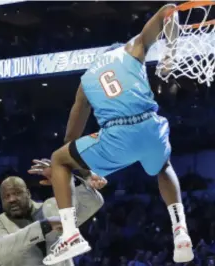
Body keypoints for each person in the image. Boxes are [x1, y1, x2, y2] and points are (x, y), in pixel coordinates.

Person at [43, 3, 194, 265]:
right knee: (163, 166)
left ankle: (70, 235)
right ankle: (180, 231)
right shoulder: (131, 48)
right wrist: (170, 54)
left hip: (117, 135)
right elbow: (169, 9)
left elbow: (71, 136)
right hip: (150, 127)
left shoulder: (86, 80)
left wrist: (84, 173)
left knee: (59, 159)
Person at [0, 159, 106, 266]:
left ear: (28, 193)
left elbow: (93, 202)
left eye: (17, 193)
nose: (12, 199)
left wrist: (65, 179)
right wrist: (44, 226)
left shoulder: (51, 207)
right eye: (6, 196)